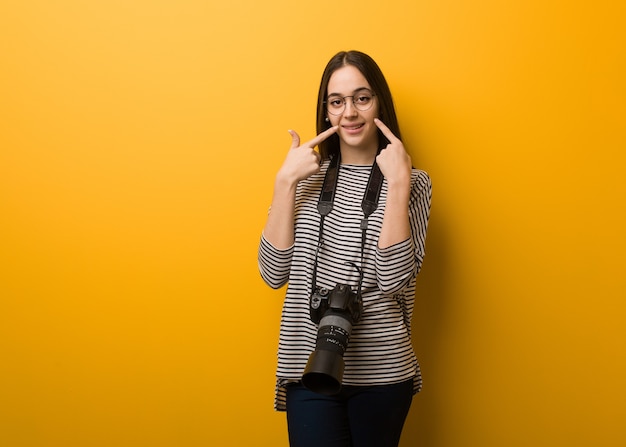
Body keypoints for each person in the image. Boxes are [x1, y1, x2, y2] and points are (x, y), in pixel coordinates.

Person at [258, 50, 432, 447]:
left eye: (362, 98)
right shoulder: (302, 177)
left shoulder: (413, 182)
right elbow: (272, 274)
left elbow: (391, 279)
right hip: (309, 364)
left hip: (383, 371)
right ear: (326, 112)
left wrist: (399, 184)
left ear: (380, 105)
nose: (350, 112)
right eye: (337, 102)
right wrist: (284, 183)